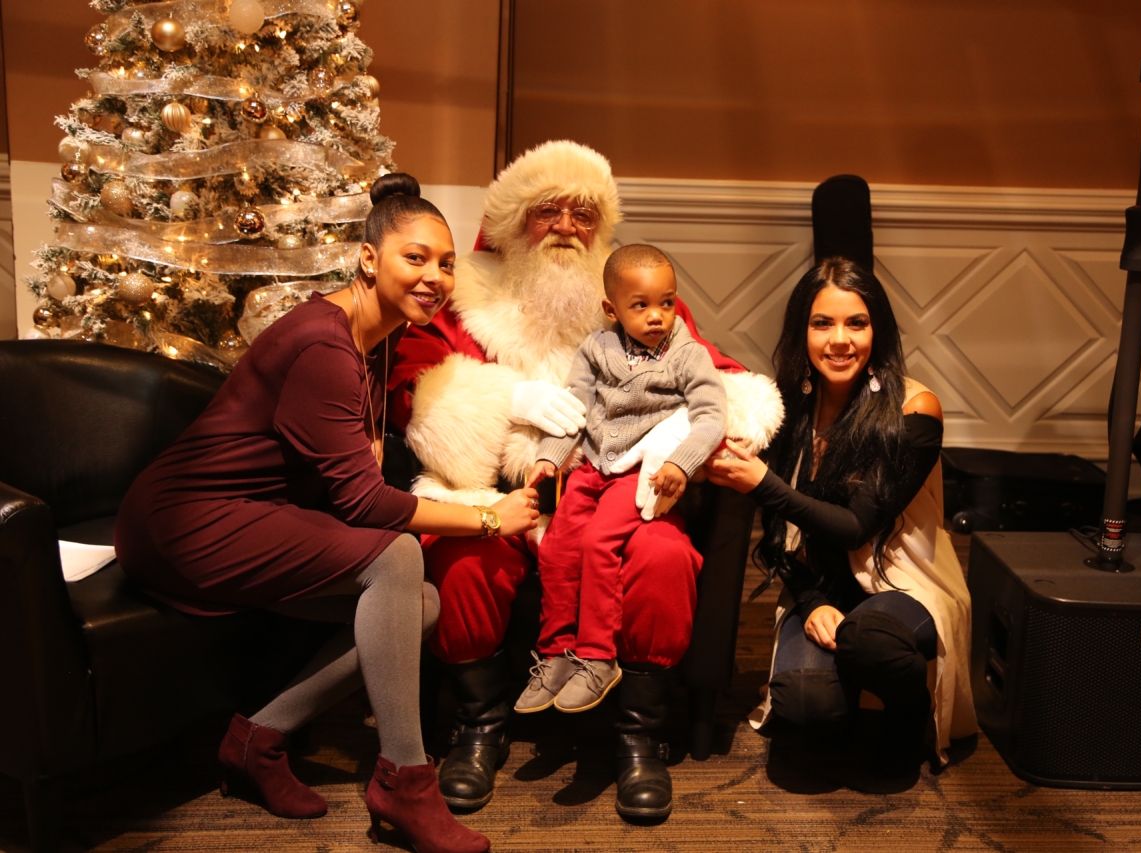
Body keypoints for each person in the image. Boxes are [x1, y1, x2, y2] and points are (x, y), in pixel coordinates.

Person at [115, 174, 541, 853]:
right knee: (398, 555)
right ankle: (405, 780)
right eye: (415, 257)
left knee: (421, 605)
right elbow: (365, 503)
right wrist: (490, 519)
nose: (435, 277)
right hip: (182, 523)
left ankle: (257, 739)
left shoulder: (374, 336)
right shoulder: (325, 344)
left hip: (249, 511)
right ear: (369, 259)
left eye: (446, 263)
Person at [388, 140, 783, 819]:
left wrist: (717, 428)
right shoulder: (466, 295)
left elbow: (716, 374)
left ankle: (639, 734)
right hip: (503, 489)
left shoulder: (632, 294)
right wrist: (509, 401)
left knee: (663, 558)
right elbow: (414, 388)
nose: (567, 227)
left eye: (584, 213)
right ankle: (479, 725)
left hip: (616, 490)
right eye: (549, 210)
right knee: (462, 561)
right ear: (515, 219)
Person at [704, 256, 976, 780]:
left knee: (869, 640)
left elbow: (856, 527)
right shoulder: (785, 408)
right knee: (806, 707)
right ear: (802, 332)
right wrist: (811, 602)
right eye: (822, 323)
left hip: (903, 584)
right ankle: (846, 687)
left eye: (857, 323)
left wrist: (763, 483)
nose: (839, 340)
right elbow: (781, 537)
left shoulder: (915, 410)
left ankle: (906, 718)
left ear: (879, 330)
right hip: (821, 585)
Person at [520, 245, 727, 715]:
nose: (657, 315)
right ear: (612, 309)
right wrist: (551, 457)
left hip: (637, 471)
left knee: (599, 544)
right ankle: (556, 652)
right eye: (641, 305)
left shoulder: (687, 354)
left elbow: (712, 416)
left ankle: (597, 657)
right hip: (592, 466)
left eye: (667, 302)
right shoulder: (596, 348)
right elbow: (574, 410)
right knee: (558, 547)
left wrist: (681, 462)